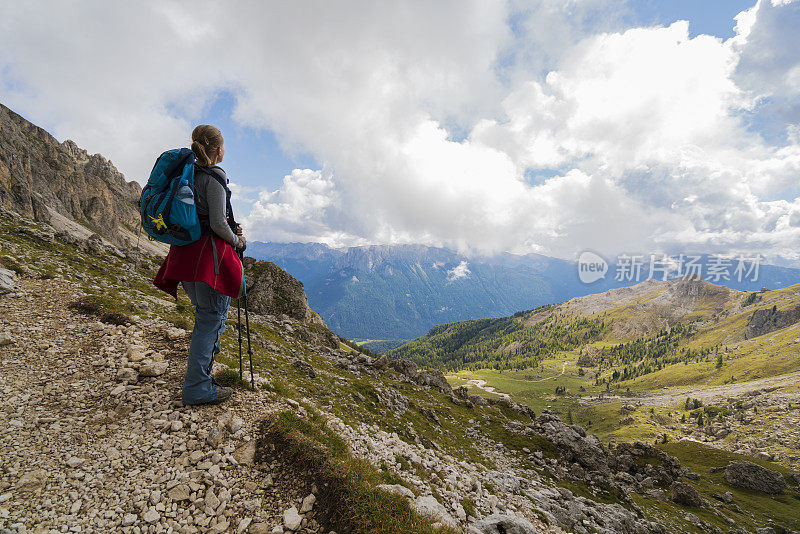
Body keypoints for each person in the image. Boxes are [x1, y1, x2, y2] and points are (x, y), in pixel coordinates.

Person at [154, 125, 246, 406]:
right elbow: (218, 223)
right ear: (218, 150)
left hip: (183, 255)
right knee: (211, 320)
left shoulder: (187, 173)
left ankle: (203, 378)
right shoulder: (215, 176)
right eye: (224, 146)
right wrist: (237, 240)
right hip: (207, 260)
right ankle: (197, 387)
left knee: (205, 316)